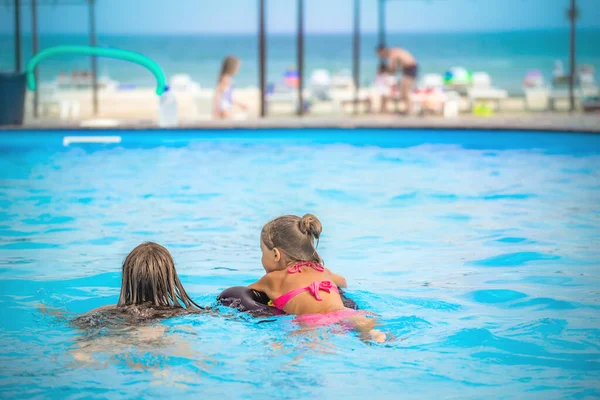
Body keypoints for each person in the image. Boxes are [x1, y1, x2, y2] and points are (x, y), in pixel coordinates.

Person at [248, 214, 386, 343]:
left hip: (311, 321)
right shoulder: (322, 271)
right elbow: (343, 282)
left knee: (301, 345)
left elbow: (247, 292)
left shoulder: (272, 278)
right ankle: (374, 334)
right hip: (345, 313)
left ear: (276, 255)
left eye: (262, 251)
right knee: (363, 326)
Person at [73, 242, 203, 328]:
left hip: (119, 330)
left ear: (127, 277)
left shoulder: (102, 311)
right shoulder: (184, 313)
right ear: (169, 278)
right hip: (159, 336)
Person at [376, 45, 418, 114]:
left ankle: (409, 110)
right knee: (404, 91)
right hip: (409, 68)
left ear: (382, 51)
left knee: (405, 91)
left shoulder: (392, 54)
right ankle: (408, 109)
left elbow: (393, 69)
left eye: (380, 55)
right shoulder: (394, 51)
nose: (381, 57)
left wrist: (385, 71)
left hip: (410, 68)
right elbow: (396, 68)